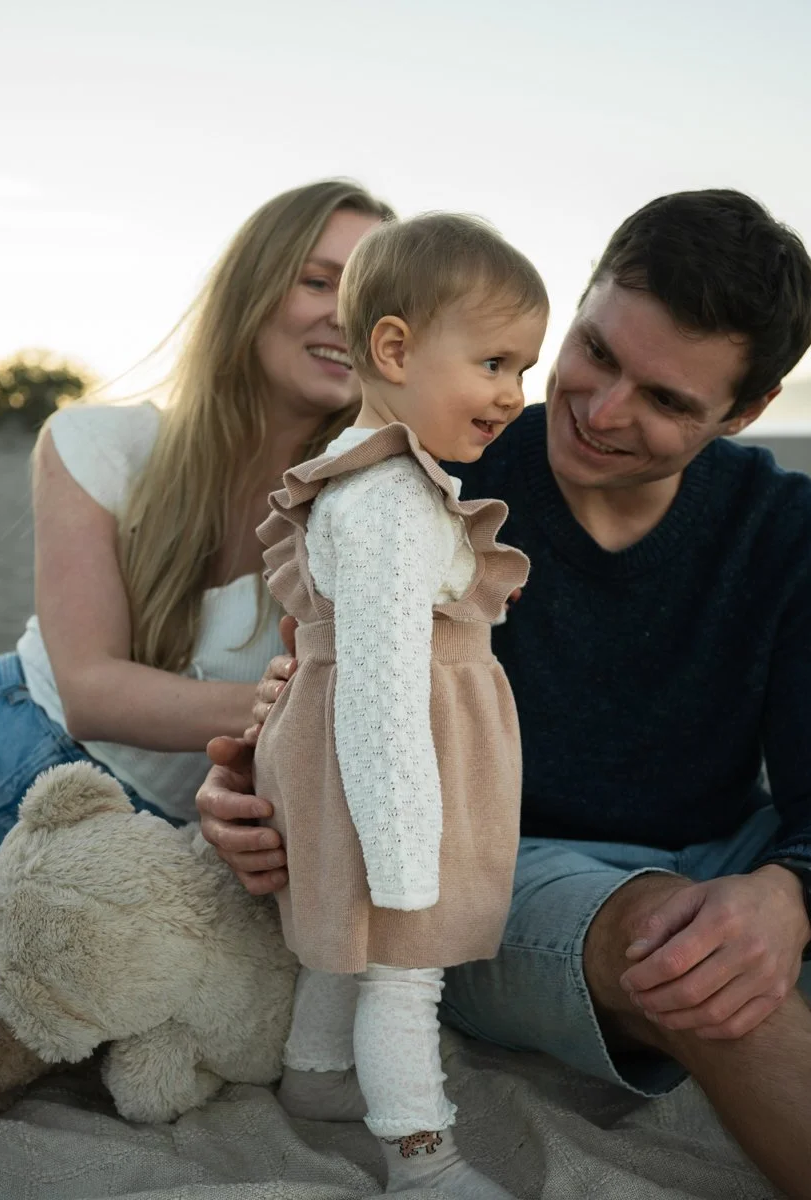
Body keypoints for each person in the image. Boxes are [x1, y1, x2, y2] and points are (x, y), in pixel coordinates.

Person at [198, 189, 811, 1200]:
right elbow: (318, 691)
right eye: (595, 353)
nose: (601, 408)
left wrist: (787, 891)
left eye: (666, 400)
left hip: (723, 845)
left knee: (724, 919)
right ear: (578, 302)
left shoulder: (785, 528)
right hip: (489, 872)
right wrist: (240, 792)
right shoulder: (433, 468)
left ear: (744, 412)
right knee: (686, 951)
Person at [0, 179, 393, 885]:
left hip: (163, 848)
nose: (345, 317)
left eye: (376, 301)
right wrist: (293, 706)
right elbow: (89, 691)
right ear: (251, 289)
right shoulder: (98, 442)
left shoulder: (376, 516)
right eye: (319, 281)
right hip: (9, 743)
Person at [254, 213, 547, 1199]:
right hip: (388, 767)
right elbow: (380, 683)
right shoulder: (382, 504)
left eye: (524, 368)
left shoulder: (388, 482)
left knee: (349, 936)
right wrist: (403, 844)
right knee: (401, 962)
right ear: (393, 348)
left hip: (384, 753)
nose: (513, 394)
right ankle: (420, 1161)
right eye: (495, 361)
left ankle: (317, 1074)